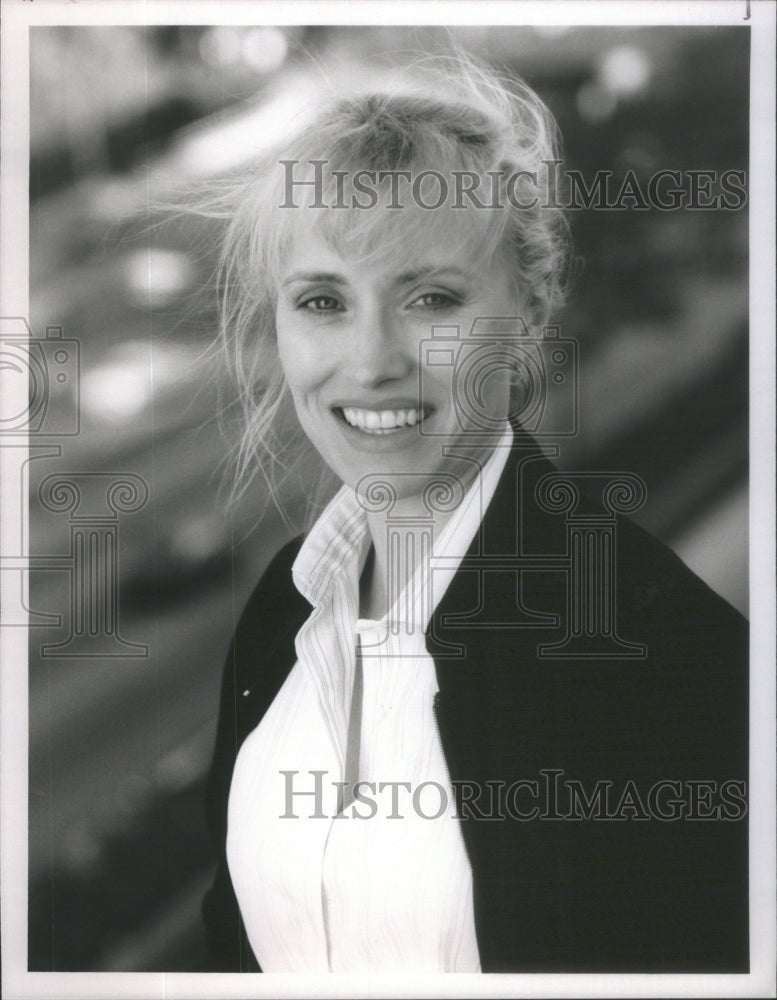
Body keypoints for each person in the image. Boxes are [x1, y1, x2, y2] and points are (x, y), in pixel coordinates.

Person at [199, 56, 749, 973]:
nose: (371, 361)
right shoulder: (279, 615)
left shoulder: (654, 649)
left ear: (527, 312)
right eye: (324, 302)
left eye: (431, 300)